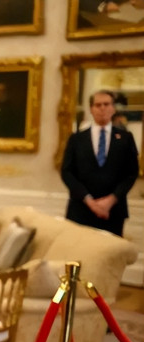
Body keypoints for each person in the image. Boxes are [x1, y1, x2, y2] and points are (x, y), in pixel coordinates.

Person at [61, 90, 139, 237]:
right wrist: (89, 201)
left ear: (113, 108)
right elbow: (67, 172)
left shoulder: (125, 138)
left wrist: (110, 200)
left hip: (113, 212)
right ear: (91, 109)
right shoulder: (77, 139)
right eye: (98, 105)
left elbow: (131, 173)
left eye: (106, 104)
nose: (102, 108)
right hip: (80, 210)